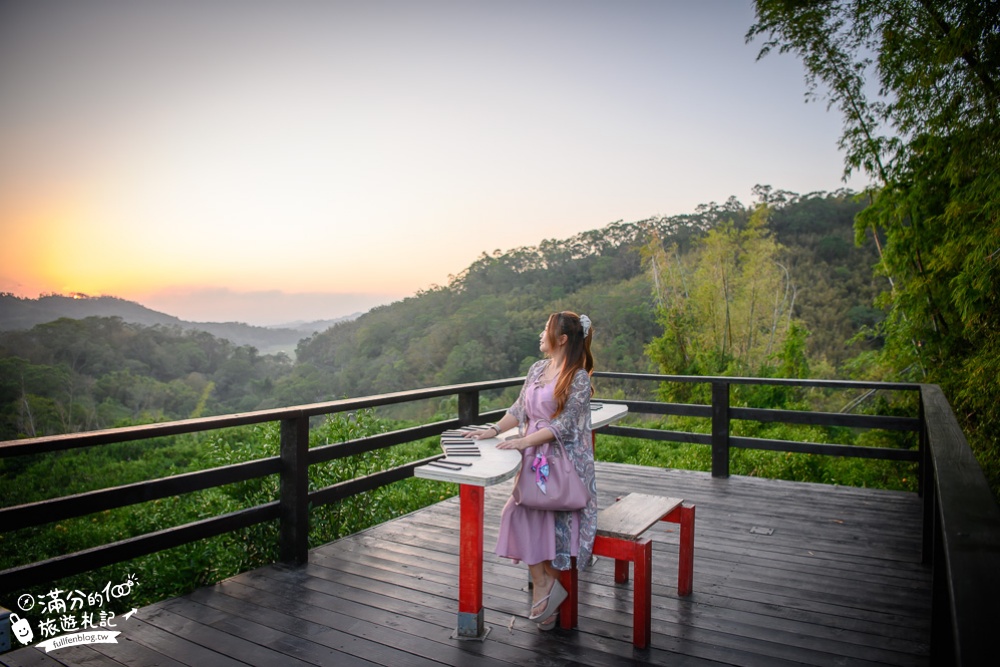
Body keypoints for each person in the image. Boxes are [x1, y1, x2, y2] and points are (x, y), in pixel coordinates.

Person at [463, 311, 597, 630]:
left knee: (549, 519)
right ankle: (545, 585)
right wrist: (494, 430)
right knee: (517, 512)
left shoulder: (577, 377)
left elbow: (563, 426)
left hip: (559, 459)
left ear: (562, 339)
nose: (540, 334)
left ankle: (546, 591)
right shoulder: (537, 368)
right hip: (534, 454)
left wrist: (524, 443)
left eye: (545, 330)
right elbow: (520, 408)